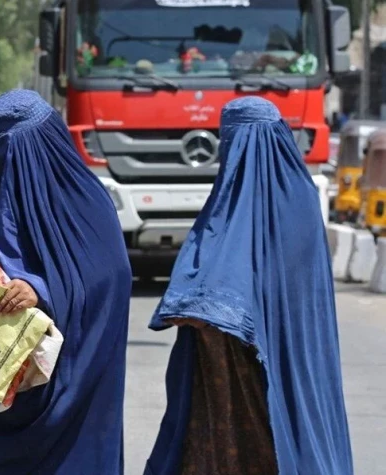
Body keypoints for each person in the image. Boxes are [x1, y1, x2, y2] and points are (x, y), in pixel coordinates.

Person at [144, 96, 354, 475]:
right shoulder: (298, 199)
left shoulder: (280, 205)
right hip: (231, 377)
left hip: (262, 369)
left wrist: (200, 305)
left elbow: (226, 281)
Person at [0, 89, 132, 475]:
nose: (10, 164)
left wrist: (42, 290)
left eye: (19, 151)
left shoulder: (86, 203)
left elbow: (110, 279)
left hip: (68, 396)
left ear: (45, 145)